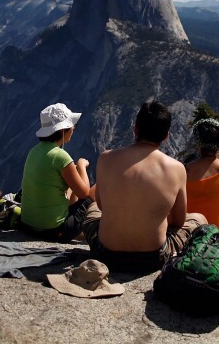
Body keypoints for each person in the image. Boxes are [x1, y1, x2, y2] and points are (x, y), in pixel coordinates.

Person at [82, 100, 207, 273]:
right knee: (198, 219)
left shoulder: (106, 158)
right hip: (153, 259)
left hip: (105, 254)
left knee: (93, 207)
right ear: (166, 136)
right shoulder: (177, 169)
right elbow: (179, 221)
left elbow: (103, 207)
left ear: (136, 129)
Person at [20, 103, 93, 242]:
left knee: (71, 184)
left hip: (28, 226)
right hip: (54, 231)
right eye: (71, 125)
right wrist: (82, 166)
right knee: (96, 191)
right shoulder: (60, 156)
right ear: (62, 130)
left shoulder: (33, 151)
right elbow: (84, 193)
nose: (73, 128)